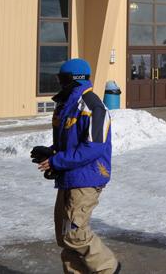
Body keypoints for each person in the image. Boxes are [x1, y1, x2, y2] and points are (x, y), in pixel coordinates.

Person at [30, 58, 119, 274]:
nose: (60, 84)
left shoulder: (93, 106)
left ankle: (108, 267)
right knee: (65, 236)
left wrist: (57, 160)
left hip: (87, 179)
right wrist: (51, 153)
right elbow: (70, 143)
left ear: (74, 80)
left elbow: (93, 148)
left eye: (63, 79)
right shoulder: (68, 106)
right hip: (69, 178)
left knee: (75, 233)